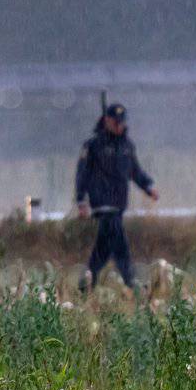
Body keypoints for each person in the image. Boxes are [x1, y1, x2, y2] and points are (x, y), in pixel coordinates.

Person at [75, 103, 159, 291]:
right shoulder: (93, 146)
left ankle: (86, 283)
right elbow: (82, 175)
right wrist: (81, 200)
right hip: (103, 205)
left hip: (119, 204)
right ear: (106, 121)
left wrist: (148, 187)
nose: (119, 125)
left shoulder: (126, 146)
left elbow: (135, 172)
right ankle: (132, 283)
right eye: (115, 122)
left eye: (121, 122)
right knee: (120, 245)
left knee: (103, 250)